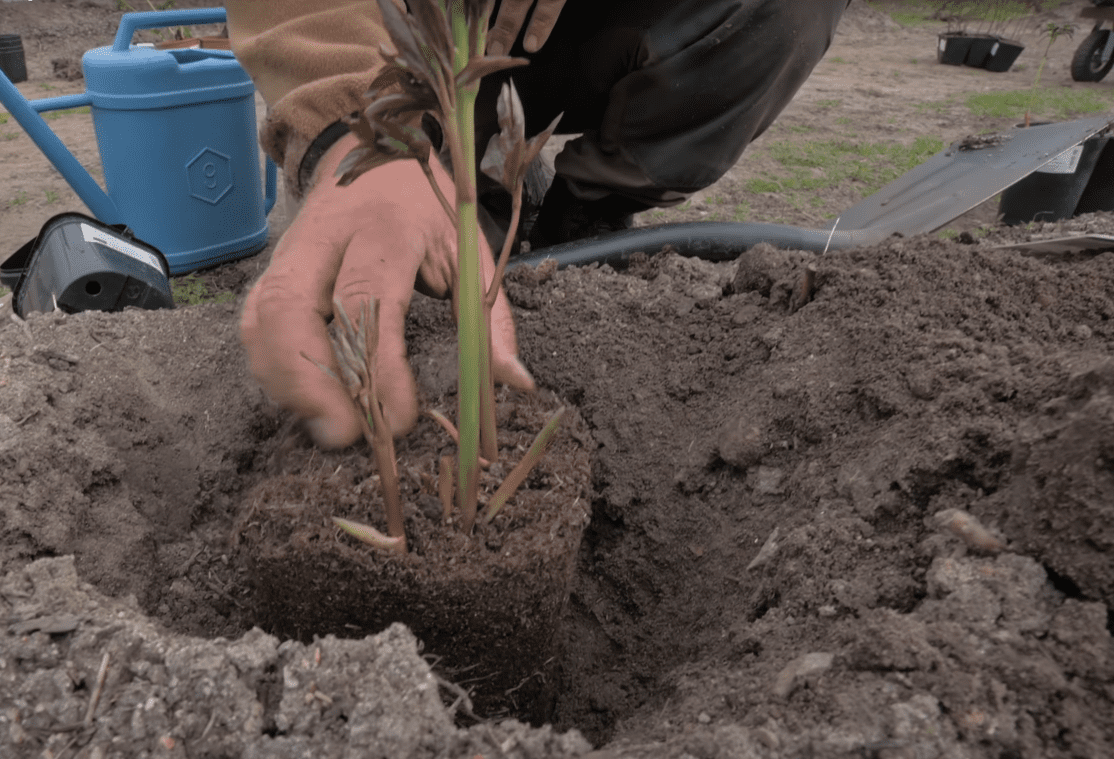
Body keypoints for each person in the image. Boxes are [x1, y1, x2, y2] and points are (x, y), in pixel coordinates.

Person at [228, 0, 850, 448]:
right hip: (404, 48)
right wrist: (356, 132)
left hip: (579, 32)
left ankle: (585, 220)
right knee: (401, 271)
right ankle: (482, 181)